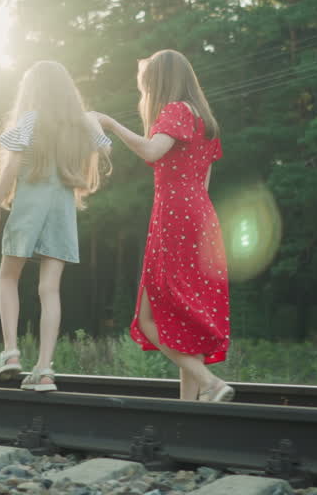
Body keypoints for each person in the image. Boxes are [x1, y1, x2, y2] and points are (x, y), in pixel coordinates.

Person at [95, 49, 233, 401]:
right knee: (187, 318)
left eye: (146, 82)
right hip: (202, 216)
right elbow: (204, 182)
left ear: (160, 81)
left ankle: (210, 382)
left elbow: (152, 151)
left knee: (147, 318)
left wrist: (110, 124)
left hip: (175, 215)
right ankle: (187, 413)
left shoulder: (175, 111)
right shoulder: (205, 118)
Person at [0, 61, 111, 392]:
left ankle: (11, 353)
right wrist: (94, 119)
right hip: (62, 213)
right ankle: (43, 370)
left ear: (33, 90)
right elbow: (106, 146)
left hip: (28, 208)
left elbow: (11, 166)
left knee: (8, 276)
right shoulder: (80, 126)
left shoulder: (29, 120)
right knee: (49, 290)